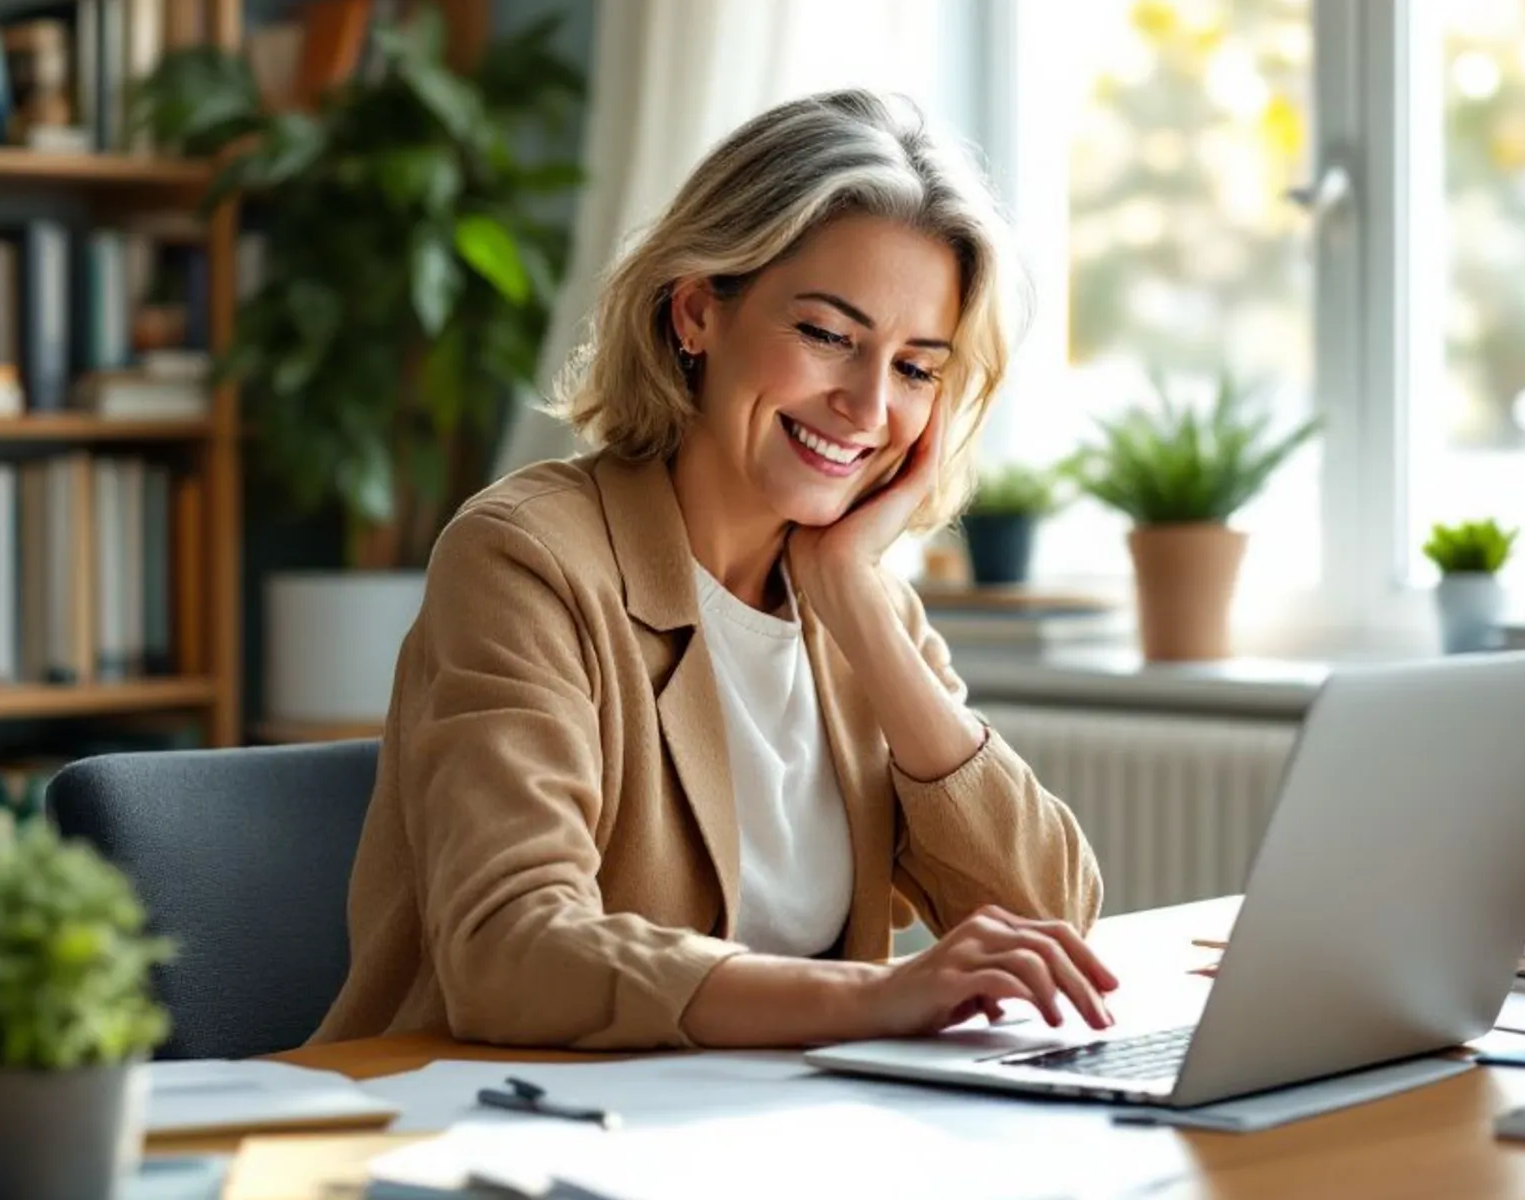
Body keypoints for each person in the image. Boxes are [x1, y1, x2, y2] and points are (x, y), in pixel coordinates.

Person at [311, 89, 1114, 1052]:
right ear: (697, 312)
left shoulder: (860, 606)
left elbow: (1054, 920)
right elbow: (508, 949)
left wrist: (857, 600)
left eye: (915, 368)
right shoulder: (526, 558)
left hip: (773, 1138)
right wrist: (869, 999)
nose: (865, 405)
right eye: (828, 335)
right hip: (508, 1137)